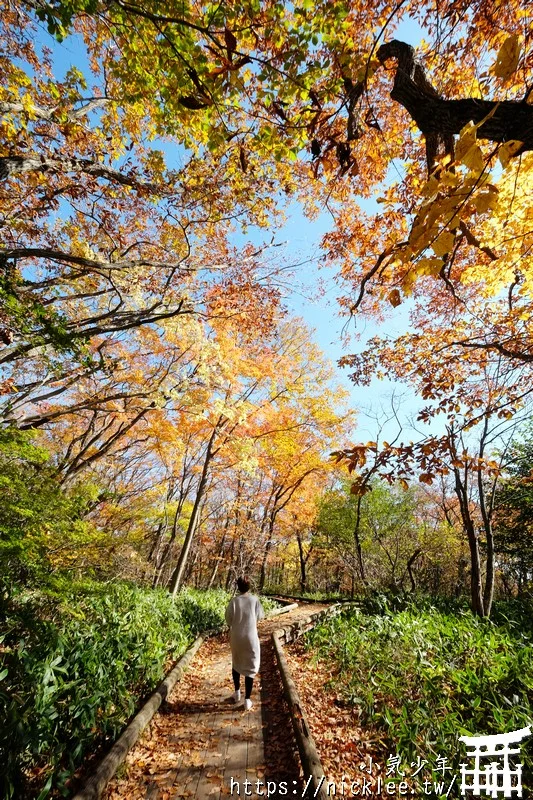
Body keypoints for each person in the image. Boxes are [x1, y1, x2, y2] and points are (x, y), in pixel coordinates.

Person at [225, 576, 264, 710]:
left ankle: (237, 693)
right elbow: (260, 617)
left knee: (236, 663)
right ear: (249, 587)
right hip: (250, 637)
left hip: (236, 637)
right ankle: (247, 700)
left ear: (238, 587)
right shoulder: (255, 600)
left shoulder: (234, 601)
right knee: (250, 666)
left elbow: (228, 620)